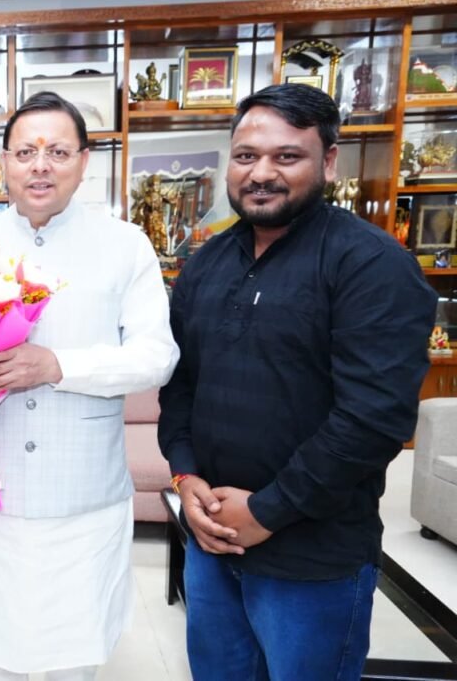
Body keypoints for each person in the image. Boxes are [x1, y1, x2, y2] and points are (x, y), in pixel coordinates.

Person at [158, 83, 437, 681]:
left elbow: (373, 418)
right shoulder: (206, 264)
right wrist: (186, 478)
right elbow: (179, 386)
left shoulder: (370, 264)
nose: (261, 173)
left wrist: (266, 511)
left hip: (312, 556)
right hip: (211, 541)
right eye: (246, 156)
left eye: (287, 156)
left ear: (328, 161)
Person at [0, 91, 180, 680]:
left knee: (72, 660)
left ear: (84, 162)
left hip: (84, 494)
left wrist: (58, 366)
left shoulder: (125, 245)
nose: (40, 166)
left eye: (57, 151)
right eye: (25, 152)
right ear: (3, 162)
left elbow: (157, 357)